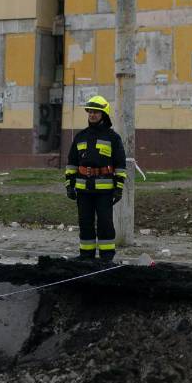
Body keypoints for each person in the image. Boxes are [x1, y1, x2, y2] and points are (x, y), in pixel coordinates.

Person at [64, 95, 127, 261]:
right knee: (85, 222)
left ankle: (106, 257)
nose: (92, 115)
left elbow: (120, 165)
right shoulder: (80, 136)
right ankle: (86, 256)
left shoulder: (113, 138)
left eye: (96, 112)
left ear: (103, 115)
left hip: (105, 190)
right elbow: (71, 164)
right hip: (83, 188)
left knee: (105, 223)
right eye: (90, 112)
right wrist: (69, 185)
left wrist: (118, 188)